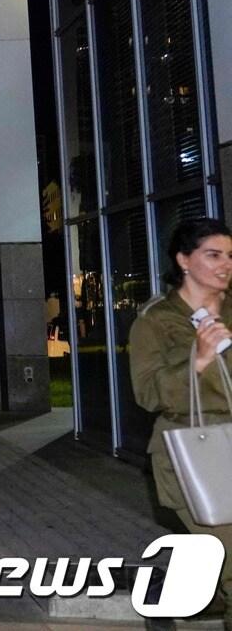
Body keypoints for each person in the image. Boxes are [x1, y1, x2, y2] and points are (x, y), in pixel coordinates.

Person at [129, 217, 232, 630]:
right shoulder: (156, 320)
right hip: (196, 451)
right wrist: (198, 360)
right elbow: (147, 393)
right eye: (213, 255)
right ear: (184, 260)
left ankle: (178, 600)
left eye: (229, 256)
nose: (225, 264)